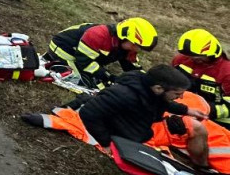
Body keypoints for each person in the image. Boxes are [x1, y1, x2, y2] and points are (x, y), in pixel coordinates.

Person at [22, 64, 207, 156]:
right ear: (159, 88)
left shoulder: (150, 89)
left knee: (197, 127)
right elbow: (90, 115)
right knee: (198, 131)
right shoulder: (124, 94)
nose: (179, 97)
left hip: (141, 125)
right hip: (131, 133)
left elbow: (163, 103)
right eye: (177, 93)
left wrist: (186, 110)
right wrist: (106, 143)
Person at [44, 18, 158, 88]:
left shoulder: (126, 45)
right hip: (64, 48)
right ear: (124, 37)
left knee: (99, 79)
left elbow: (132, 66)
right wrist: (108, 76)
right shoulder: (98, 35)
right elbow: (84, 62)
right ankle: (56, 65)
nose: (136, 50)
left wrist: (148, 81)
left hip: (84, 55)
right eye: (135, 45)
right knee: (86, 82)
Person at [172, 29, 230, 129]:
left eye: (198, 56)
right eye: (190, 55)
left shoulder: (226, 72)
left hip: (218, 121)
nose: (194, 59)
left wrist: (204, 110)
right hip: (181, 111)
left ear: (211, 53)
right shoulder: (180, 60)